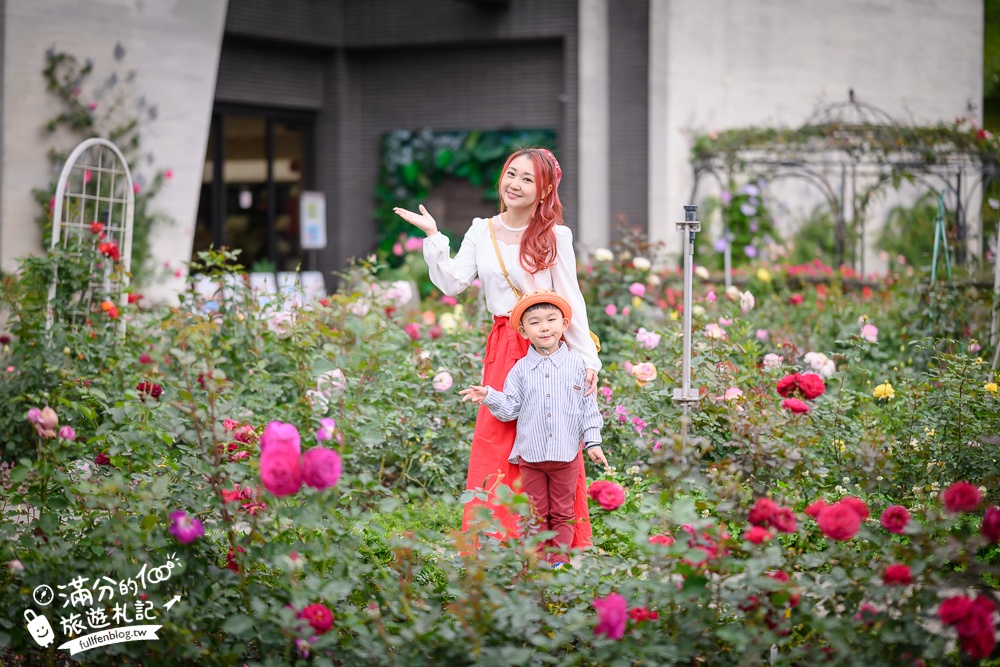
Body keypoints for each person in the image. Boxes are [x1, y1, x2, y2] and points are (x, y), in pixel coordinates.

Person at [392, 147, 602, 548]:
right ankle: (496, 540)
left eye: (528, 179)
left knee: (553, 438)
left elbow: (570, 302)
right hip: (505, 346)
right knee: (498, 438)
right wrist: (434, 236)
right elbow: (452, 283)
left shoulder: (555, 236)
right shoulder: (480, 231)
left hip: (547, 348)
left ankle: (555, 545)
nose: (515, 184)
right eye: (511, 174)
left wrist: (587, 361)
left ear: (544, 191)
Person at [460, 290, 607, 566]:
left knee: (563, 511)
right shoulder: (520, 370)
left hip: (565, 456)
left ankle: (560, 559)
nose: (544, 327)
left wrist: (593, 443)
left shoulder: (578, 365)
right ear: (524, 331)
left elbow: (589, 407)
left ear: (564, 325)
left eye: (551, 319)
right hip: (531, 457)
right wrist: (489, 396)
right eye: (535, 322)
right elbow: (511, 409)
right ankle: (537, 559)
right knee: (535, 512)